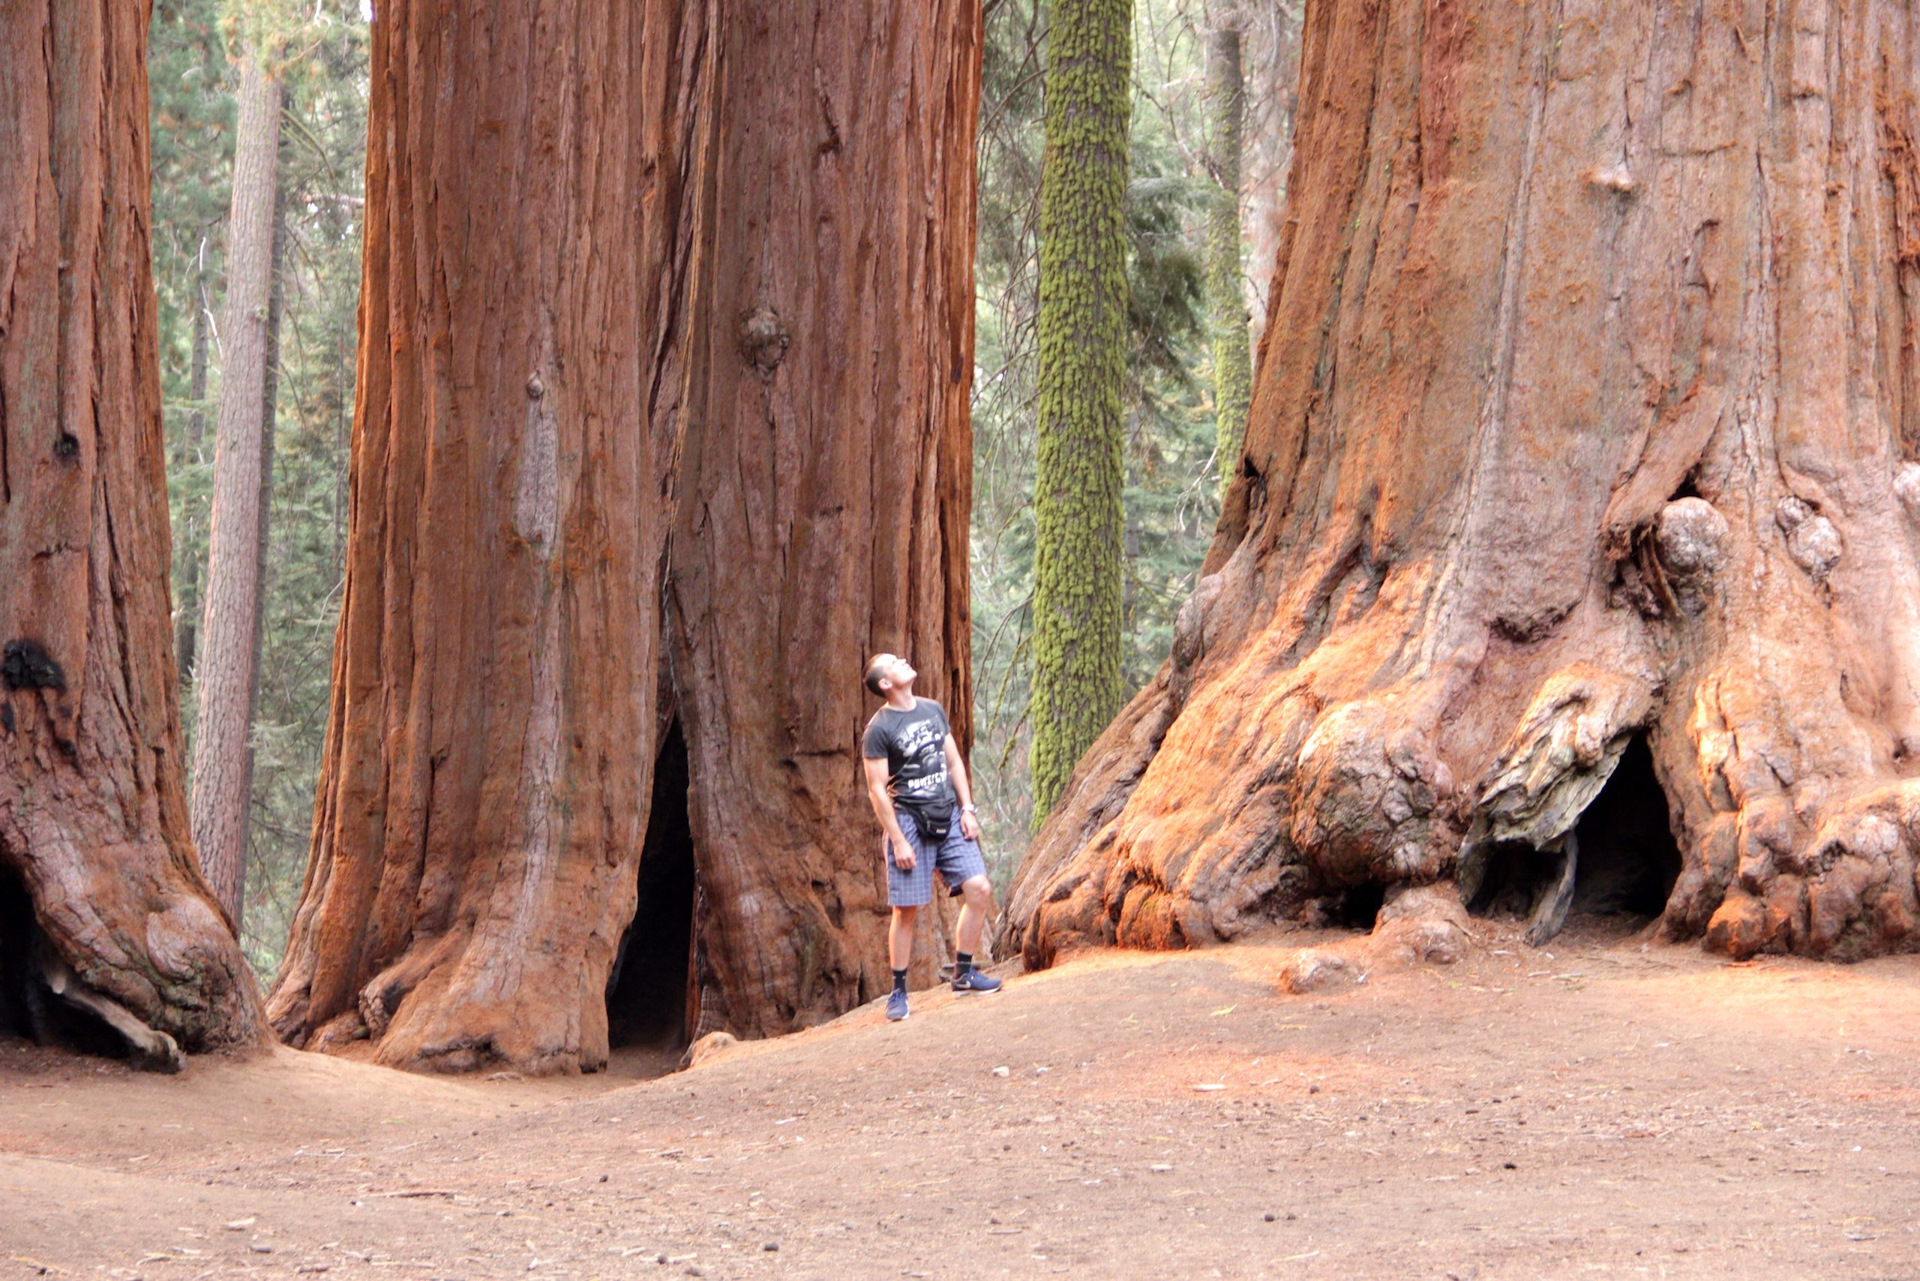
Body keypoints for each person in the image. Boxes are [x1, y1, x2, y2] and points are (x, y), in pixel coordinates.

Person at [860, 653, 1002, 1022]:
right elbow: (877, 790)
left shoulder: (933, 710)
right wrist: (898, 840)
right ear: (885, 684)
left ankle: (964, 973)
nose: (903, 659)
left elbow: (953, 762)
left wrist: (967, 808)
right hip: (908, 821)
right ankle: (898, 992)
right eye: (893, 661)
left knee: (979, 888)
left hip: (948, 815)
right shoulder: (879, 729)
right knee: (906, 911)